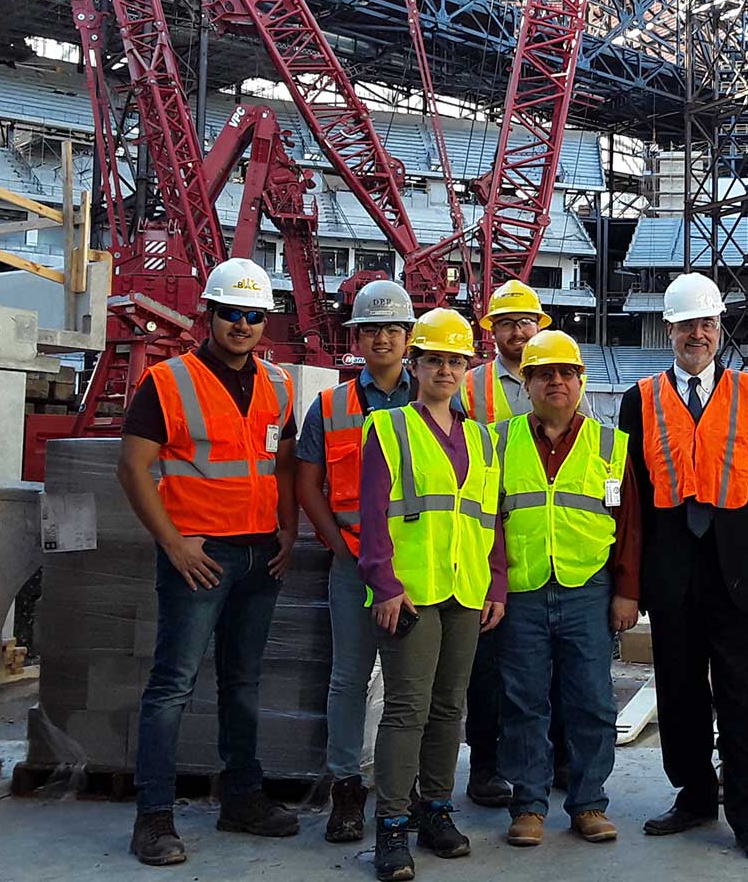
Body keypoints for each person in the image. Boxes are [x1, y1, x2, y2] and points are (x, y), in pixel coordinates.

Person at [117, 257, 300, 866]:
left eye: (253, 315)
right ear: (210, 315)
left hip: (258, 553)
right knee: (173, 685)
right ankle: (155, 817)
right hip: (199, 555)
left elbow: (285, 464)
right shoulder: (167, 382)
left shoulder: (277, 384)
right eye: (231, 314)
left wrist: (288, 529)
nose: (243, 325)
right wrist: (174, 543)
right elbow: (133, 468)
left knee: (244, 682)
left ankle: (242, 798)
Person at [617, 271, 748, 865]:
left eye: (707, 324)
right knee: (679, 690)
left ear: (720, 329)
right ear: (669, 329)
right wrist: (630, 580)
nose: (698, 334)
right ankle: (692, 796)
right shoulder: (640, 400)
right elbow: (631, 499)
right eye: (687, 324)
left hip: (737, 569)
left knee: (739, 693)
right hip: (672, 570)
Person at [359, 308, 506, 882]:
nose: (445, 370)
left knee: (450, 709)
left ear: (468, 368)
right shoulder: (389, 428)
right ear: (415, 365)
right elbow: (373, 517)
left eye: (455, 360)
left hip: (466, 590)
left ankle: (436, 810)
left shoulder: (482, 439)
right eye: (434, 360)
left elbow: (486, 517)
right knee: (406, 710)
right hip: (411, 592)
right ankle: (392, 826)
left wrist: (495, 582)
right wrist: (384, 583)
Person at [494, 330, 642, 849]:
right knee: (524, 702)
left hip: (588, 591)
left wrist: (626, 592)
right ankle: (529, 805)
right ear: (527, 383)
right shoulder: (499, 440)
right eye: (543, 374)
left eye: (565, 373)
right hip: (523, 588)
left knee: (593, 703)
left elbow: (630, 525)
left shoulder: (609, 445)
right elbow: (486, 518)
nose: (555, 381)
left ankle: (588, 803)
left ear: (581, 381)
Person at [459, 278, 588, 806]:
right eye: (507, 323)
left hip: (547, 541)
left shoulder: (560, 375)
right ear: (492, 332)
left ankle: (556, 760)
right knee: (487, 668)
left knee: (550, 669)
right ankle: (486, 765)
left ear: (540, 327)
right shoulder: (471, 386)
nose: (517, 331)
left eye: (525, 322)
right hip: (489, 536)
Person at [296, 280, 415, 842]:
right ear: (358, 337)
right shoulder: (331, 406)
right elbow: (308, 483)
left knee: (410, 681)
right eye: (372, 329)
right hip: (352, 559)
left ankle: (405, 783)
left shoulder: (436, 397)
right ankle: (346, 786)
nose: (383, 339)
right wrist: (338, 544)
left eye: (393, 329)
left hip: (415, 561)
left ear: (409, 337)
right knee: (347, 677)